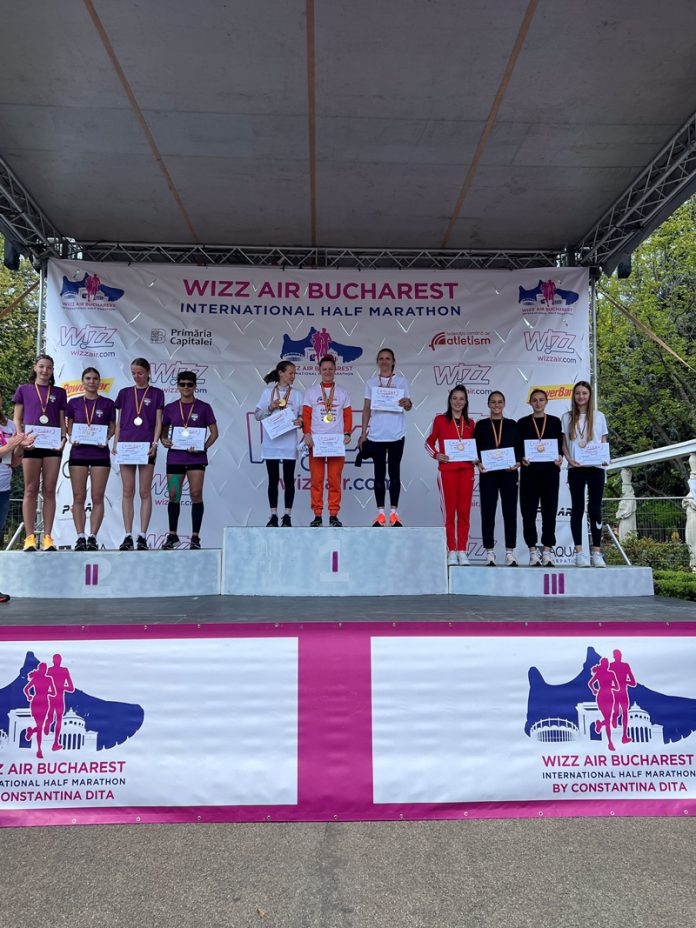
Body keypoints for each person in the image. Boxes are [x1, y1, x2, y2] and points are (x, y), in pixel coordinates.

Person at [13, 354, 67, 552]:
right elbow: (17, 418)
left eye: (49, 367)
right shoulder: (23, 389)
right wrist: (21, 437)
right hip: (31, 444)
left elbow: (61, 419)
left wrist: (64, 438)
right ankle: (29, 538)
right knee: (30, 489)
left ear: (52, 371)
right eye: (42, 366)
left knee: (50, 490)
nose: (45, 371)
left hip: (52, 446)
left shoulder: (59, 392)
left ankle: (47, 537)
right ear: (35, 368)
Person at [160, 371, 218, 549]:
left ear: (195, 386)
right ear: (178, 386)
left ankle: (195, 537)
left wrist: (203, 447)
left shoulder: (204, 407)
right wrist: (164, 440)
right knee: (173, 495)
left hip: (196, 459)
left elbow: (214, 433)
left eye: (189, 384)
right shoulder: (170, 408)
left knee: (195, 494)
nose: (186, 387)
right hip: (175, 458)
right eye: (183, 384)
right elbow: (163, 431)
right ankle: (172, 535)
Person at [113, 357, 164, 551]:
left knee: (144, 491)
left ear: (148, 372)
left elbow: (158, 422)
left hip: (146, 447)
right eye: (133, 373)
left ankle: (142, 535)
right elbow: (119, 422)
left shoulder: (157, 393)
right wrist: (115, 443)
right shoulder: (124, 393)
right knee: (127, 491)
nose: (137, 376)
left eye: (140, 373)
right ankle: (127, 535)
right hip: (126, 445)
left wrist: (155, 443)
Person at [359, 348, 412, 526]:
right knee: (379, 474)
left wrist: (407, 403)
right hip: (376, 435)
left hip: (397, 434)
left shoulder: (402, 381)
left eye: (388, 358)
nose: (384, 361)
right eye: (381, 358)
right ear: (377, 361)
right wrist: (363, 433)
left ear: (393, 361)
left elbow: (408, 405)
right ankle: (381, 515)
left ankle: (394, 515)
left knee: (394, 473)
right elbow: (366, 409)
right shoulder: (371, 383)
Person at [65, 367, 116, 551]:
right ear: (83, 381)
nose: (91, 381)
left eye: (95, 378)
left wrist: (107, 438)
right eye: (88, 378)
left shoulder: (108, 404)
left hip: (100, 454)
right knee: (78, 496)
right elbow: (69, 426)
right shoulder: (73, 403)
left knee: (97, 497)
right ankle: (80, 537)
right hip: (78, 453)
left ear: (99, 381)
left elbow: (112, 427)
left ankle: (93, 537)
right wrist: (72, 436)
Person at [425, 385, 475, 566]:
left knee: (464, 513)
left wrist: (476, 458)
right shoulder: (440, 420)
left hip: (467, 472)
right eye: (454, 398)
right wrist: (436, 454)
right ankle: (451, 550)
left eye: (461, 398)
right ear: (449, 400)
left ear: (466, 402)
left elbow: (475, 447)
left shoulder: (471, 423)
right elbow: (429, 442)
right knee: (449, 514)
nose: (458, 402)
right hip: (447, 472)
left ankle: (462, 550)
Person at [562, 380, 609, 568]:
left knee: (595, 509)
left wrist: (604, 457)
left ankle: (597, 553)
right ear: (574, 396)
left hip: (596, 467)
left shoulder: (599, 416)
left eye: (584, 393)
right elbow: (564, 443)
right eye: (578, 393)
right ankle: (579, 553)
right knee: (577, 508)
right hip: (576, 468)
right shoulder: (567, 417)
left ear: (589, 396)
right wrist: (569, 459)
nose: (581, 396)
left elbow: (603, 440)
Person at [302, 355, 352, 526]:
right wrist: (307, 434)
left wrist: (347, 433)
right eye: (324, 369)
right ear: (319, 370)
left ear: (335, 370)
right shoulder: (311, 392)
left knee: (334, 480)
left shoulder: (343, 392)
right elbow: (306, 415)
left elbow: (347, 415)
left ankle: (333, 515)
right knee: (316, 480)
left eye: (331, 369)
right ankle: (317, 515)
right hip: (316, 442)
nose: (328, 372)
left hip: (336, 442)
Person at [517, 388, 563, 566]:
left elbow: (560, 445)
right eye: (534, 400)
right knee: (528, 514)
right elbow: (517, 447)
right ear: (530, 403)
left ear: (546, 402)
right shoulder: (522, 423)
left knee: (549, 513)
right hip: (529, 474)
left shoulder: (554, 422)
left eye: (541, 400)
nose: (538, 403)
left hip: (550, 474)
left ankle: (547, 552)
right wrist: (521, 458)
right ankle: (532, 552)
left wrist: (560, 456)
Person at [474, 391, 521, 566]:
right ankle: (489, 553)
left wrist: (517, 463)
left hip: (509, 474)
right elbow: (475, 448)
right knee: (488, 513)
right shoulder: (481, 425)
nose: (496, 405)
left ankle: (510, 553)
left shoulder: (512, 425)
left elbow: (519, 448)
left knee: (510, 513)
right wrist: (478, 463)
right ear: (488, 404)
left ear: (504, 404)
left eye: (499, 402)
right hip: (488, 474)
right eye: (493, 402)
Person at [255, 361, 303, 527]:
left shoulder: (297, 394)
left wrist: (300, 421)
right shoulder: (268, 392)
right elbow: (257, 415)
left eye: (294, 373)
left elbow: (303, 416)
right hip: (272, 443)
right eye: (290, 373)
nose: (293, 376)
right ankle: (273, 515)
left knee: (289, 480)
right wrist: (270, 407)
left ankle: (287, 515)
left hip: (289, 442)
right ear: (281, 373)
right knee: (273, 479)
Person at [1, 392, 35, 600]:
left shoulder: (9, 426)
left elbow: (13, 462)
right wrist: (12, 445)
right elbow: (6, 449)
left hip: (4, 487)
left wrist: (23, 448)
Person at [23, 662, 56, 760]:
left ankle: (32, 732)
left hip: (39, 702)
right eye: (44, 669)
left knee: (40, 726)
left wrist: (30, 696)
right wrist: (46, 692)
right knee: (40, 726)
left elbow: (26, 689)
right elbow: (53, 693)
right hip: (40, 702)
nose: (44, 671)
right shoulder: (46, 679)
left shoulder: (40, 679)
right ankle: (39, 750)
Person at [588, 657, 619, 752]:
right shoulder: (611, 673)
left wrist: (594, 690)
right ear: (607, 665)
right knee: (608, 720)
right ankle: (610, 742)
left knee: (607, 719)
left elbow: (590, 684)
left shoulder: (599, 673)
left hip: (601, 696)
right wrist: (610, 686)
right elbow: (617, 687)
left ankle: (601, 724)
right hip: (608, 696)